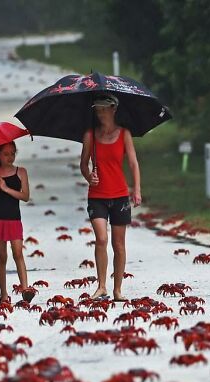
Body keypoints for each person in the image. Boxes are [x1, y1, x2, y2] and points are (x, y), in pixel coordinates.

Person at [79, 93, 142, 301]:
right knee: (101, 239)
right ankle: (101, 286)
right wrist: (90, 176)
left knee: (119, 244)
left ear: (113, 109)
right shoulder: (90, 135)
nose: (100, 113)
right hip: (97, 195)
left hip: (120, 195)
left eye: (104, 109)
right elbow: (83, 163)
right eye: (97, 110)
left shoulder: (124, 134)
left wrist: (137, 189)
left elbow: (133, 163)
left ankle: (117, 289)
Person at [0, 141, 34, 304]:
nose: (10, 157)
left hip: (14, 218)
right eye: (6, 154)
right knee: (2, 257)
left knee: (18, 253)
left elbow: (25, 196)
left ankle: (25, 288)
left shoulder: (21, 172)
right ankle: (3, 294)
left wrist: (5, 188)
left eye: (12, 153)